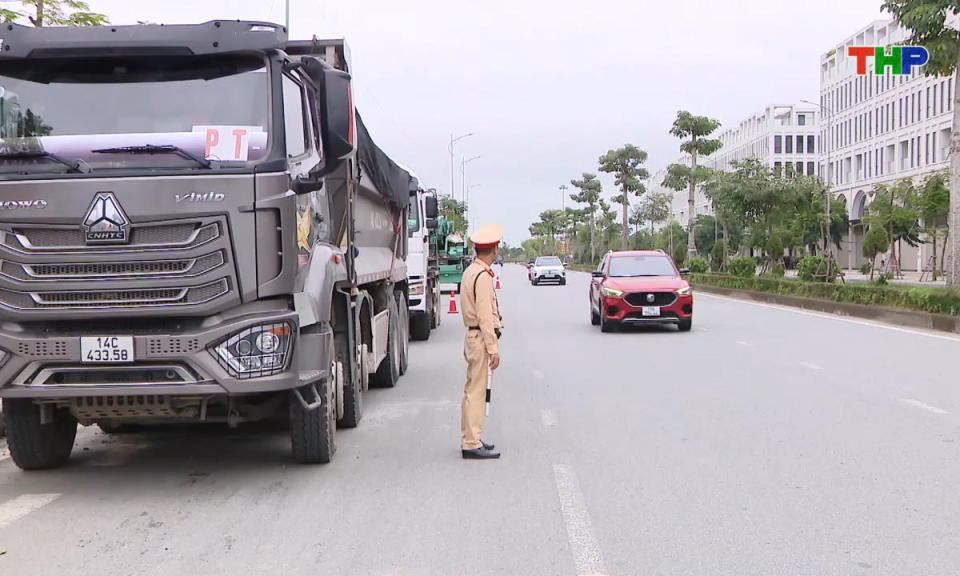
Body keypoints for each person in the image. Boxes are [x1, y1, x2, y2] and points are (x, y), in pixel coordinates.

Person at [459, 223, 504, 460]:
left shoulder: (470, 271)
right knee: (477, 392)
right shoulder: (483, 277)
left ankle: (471, 437)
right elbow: (485, 316)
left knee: (471, 390)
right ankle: (471, 442)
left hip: (472, 335)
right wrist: (493, 348)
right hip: (480, 337)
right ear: (494, 249)